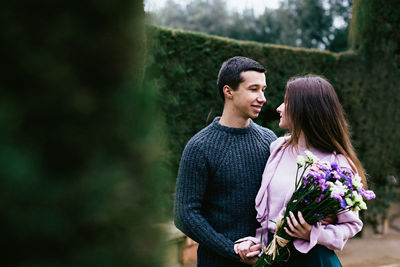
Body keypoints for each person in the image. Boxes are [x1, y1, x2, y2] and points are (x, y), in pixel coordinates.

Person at [235, 75, 365, 266]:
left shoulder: (338, 164)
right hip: (274, 258)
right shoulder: (278, 148)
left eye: (286, 102)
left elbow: (352, 225)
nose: (279, 108)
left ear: (304, 109)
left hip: (313, 260)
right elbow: (270, 218)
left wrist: (314, 233)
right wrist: (254, 243)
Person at [174, 56, 277, 266]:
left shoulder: (270, 140)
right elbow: (185, 214)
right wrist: (232, 249)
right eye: (254, 89)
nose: (262, 97)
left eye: (263, 89)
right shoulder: (199, 147)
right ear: (228, 91)